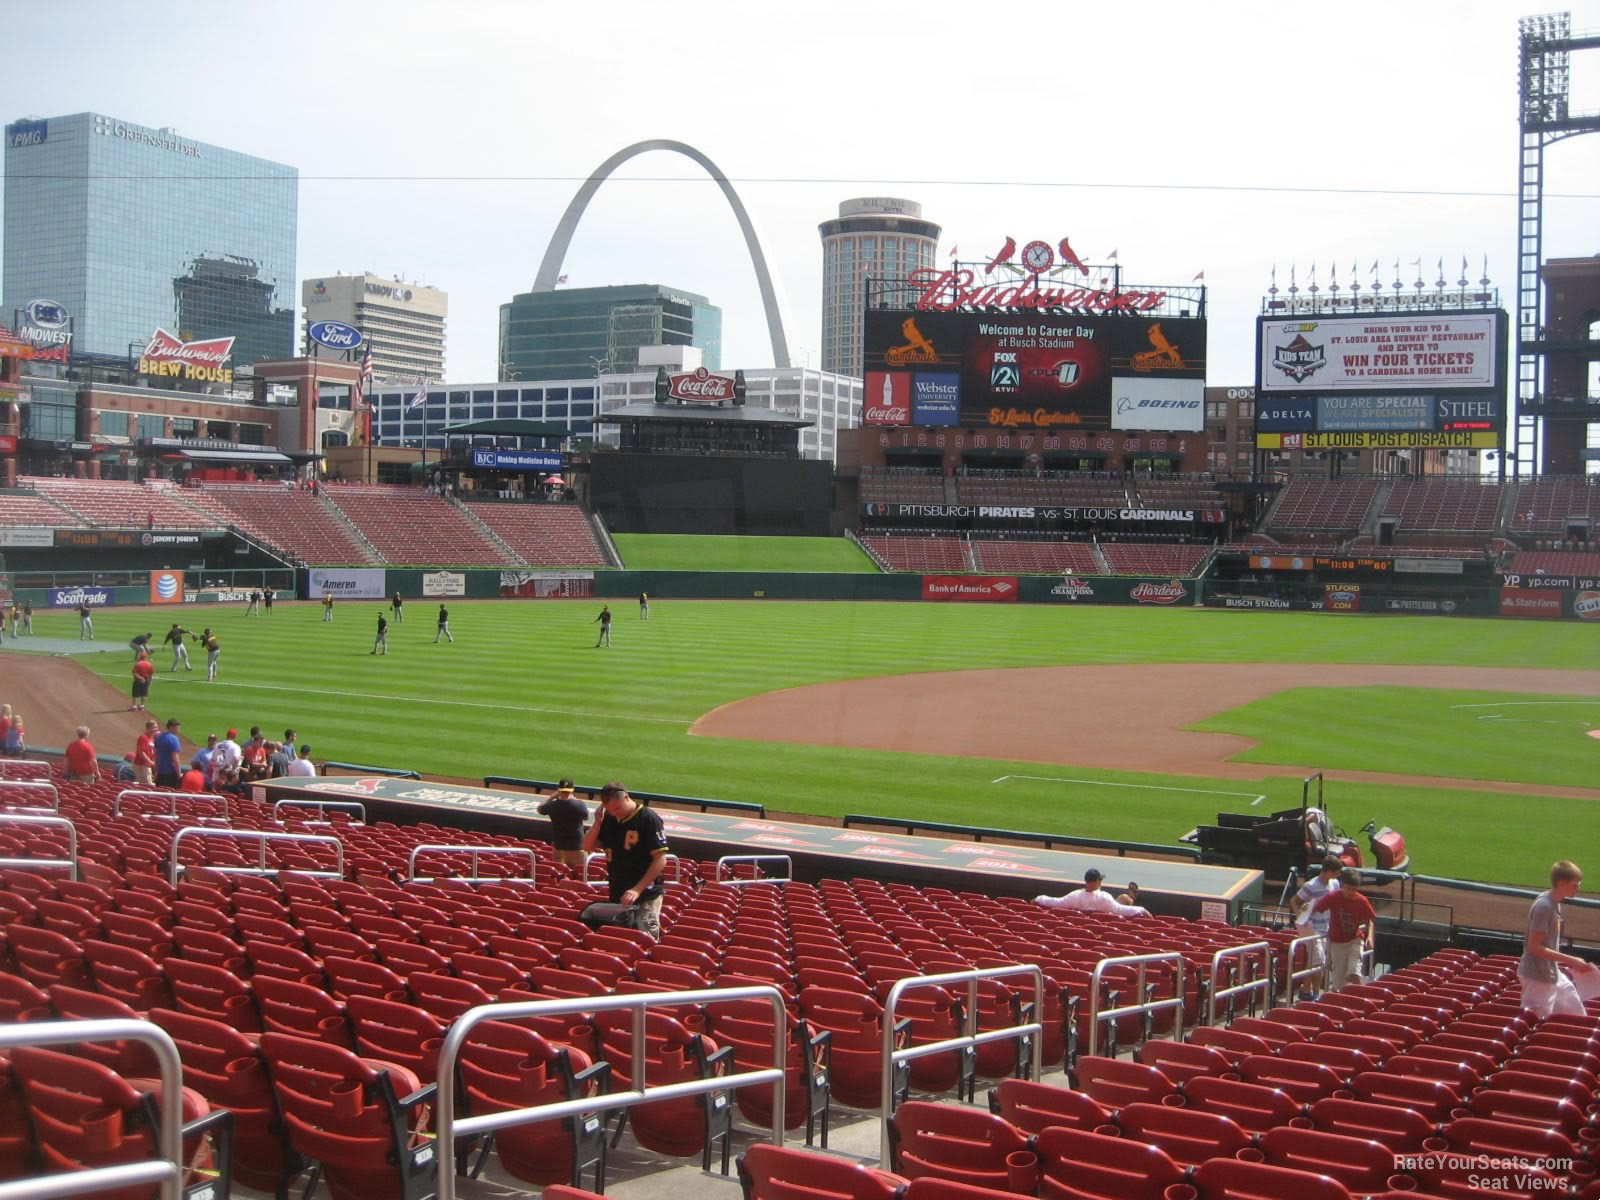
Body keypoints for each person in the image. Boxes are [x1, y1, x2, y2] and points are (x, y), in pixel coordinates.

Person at [582, 782, 670, 939]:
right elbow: (587, 846)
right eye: (610, 810)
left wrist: (637, 889)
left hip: (646, 894)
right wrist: (597, 823)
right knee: (621, 938)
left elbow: (661, 860)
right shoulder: (610, 818)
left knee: (645, 938)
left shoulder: (648, 819)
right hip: (618, 891)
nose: (616, 813)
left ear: (627, 798)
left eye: (617, 808)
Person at [1519, 860, 1596, 1019]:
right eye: (1575, 884)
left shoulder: (1554, 904)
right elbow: (1534, 947)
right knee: (1535, 1019)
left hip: (1550, 972)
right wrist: (1571, 960)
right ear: (1562, 883)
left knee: (1576, 1013)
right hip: (1537, 975)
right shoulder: (1545, 907)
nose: (1578, 888)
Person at [1313, 869, 1377, 991]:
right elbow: (1317, 908)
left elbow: (1371, 919)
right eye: (1348, 888)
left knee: (1354, 972)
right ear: (1342, 885)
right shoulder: (1333, 897)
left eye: (1354, 889)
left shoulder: (1361, 900)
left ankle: (1364, 998)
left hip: (1355, 939)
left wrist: (1370, 937)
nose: (1350, 892)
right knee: (1339, 982)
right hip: (1337, 943)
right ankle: (1337, 999)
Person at [1290, 856, 1344, 998]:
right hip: (1313, 928)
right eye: (1336, 872)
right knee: (1318, 960)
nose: (1339, 875)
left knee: (1315, 962)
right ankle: (1313, 993)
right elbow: (1295, 901)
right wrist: (1301, 918)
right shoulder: (1311, 885)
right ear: (1328, 871)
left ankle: (1308, 991)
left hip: (1326, 927)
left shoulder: (1335, 884)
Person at [1035, 868, 1150, 917]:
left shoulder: (1075, 896)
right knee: (1124, 899)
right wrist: (1142, 910)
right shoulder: (1105, 898)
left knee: (1121, 899)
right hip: (1103, 927)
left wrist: (1038, 898)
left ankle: (1131, 896)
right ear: (1097, 882)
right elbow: (1122, 910)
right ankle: (1132, 897)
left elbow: (1055, 902)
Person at [537, 779, 590, 870]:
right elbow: (586, 817)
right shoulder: (579, 805)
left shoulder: (552, 805)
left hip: (558, 847)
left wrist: (552, 796)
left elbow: (539, 809)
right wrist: (574, 798)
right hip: (576, 847)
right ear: (572, 790)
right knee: (579, 875)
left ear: (559, 789)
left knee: (560, 873)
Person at [153, 718, 183, 788]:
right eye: (177, 728)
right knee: (170, 795)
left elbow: (156, 755)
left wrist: (156, 770)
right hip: (170, 773)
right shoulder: (174, 738)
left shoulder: (159, 737)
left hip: (160, 772)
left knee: (160, 793)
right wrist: (179, 773)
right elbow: (175, 757)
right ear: (171, 727)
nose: (178, 730)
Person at [133, 720, 158, 786]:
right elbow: (141, 752)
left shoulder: (152, 738)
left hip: (147, 765)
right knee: (147, 784)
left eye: (156, 727)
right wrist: (150, 762)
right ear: (149, 728)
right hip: (142, 765)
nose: (156, 729)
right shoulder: (143, 737)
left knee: (142, 783)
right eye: (154, 727)